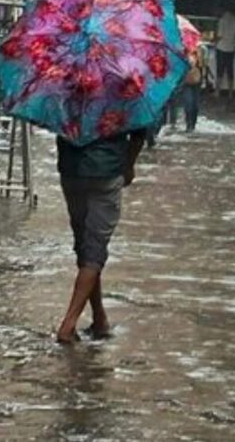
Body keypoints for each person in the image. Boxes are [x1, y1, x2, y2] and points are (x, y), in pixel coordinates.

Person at [55, 130, 146, 343]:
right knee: (94, 250)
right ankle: (68, 326)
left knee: (85, 247)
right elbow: (139, 131)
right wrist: (130, 164)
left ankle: (99, 318)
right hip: (107, 171)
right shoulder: (123, 95)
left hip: (71, 171)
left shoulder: (68, 94)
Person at [215, 9, 235, 99]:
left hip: (221, 48)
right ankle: (231, 93)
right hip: (231, 48)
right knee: (230, 71)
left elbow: (220, 35)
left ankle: (217, 92)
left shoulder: (222, 20)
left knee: (220, 71)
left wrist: (214, 41)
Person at [183, 44, 205, 133]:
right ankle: (189, 125)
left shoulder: (200, 49)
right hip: (185, 81)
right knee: (189, 103)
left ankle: (193, 124)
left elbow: (203, 66)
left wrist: (198, 56)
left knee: (195, 105)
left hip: (197, 80)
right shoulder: (182, 49)